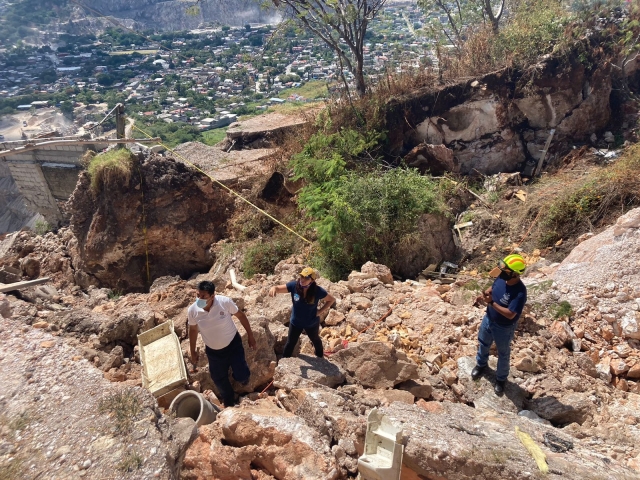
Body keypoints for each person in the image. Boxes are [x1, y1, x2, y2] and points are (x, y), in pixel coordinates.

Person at [188, 280, 257, 407]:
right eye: (197, 295)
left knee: (242, 375)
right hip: (213, 352)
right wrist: (192, 352)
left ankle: (240, 379)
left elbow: (241, 316)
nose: (199, 299)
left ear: (212, 296)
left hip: (233, 345)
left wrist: (250, 336)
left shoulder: (224, 302)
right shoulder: (193, 311)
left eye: (203, 296)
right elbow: (192, 330)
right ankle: (229, 399)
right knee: (218, 379)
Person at [471, 254, 528, 395]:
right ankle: (481, 364)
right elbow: (495, 285)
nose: (502, 272)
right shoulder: (503, 278)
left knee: (503, 353)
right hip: (489, 318)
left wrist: (491, 303)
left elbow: (510, 314)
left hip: (504, 327)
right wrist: (487, 293)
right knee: (483, 343)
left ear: (514, 274)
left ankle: (501, 379)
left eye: (506, 270)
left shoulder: (520, 292)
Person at [268, 267, 335, 358]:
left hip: (311, 322)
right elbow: (278, 288)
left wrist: (320, 311)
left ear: (311, 280)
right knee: (290, 343)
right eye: (301, 276)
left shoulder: (317, 291)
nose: (302, 279)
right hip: (296, 322)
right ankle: (284, 362)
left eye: (306, 278)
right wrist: (274, 288)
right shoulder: (294, 286)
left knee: (315, 340)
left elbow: (331, 300)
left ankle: (320, 358)